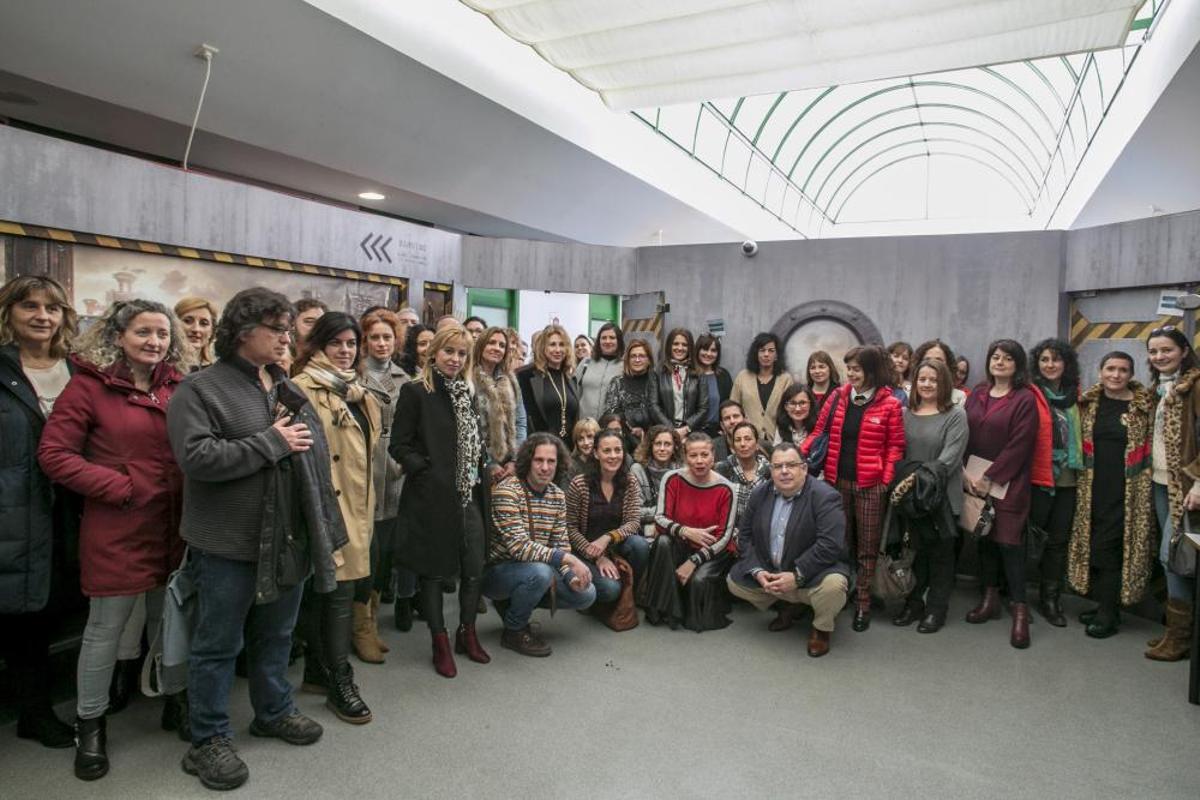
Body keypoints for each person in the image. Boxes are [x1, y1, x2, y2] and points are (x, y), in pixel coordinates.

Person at [167, 287, 345, 792]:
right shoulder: (200, 389)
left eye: (289, 329)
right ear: (244, 333)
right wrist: (273, 442)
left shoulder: (282, 384)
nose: (288, 338)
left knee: (276, 635)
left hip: (286, 538)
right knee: (218, 644)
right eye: (278, 330)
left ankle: (272, 710)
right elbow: (196, 458)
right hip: (228, 544)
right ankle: (207, 740)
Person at [37, 299, 186, 780]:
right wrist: (121, 487)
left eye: (162, 334)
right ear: (118, 336)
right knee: (104, 633)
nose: (155, 342)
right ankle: (91, 723)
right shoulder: (88, 388)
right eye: (144, 332)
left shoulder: (179, 387)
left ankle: (173, 700)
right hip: (118, 527)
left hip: (173, 528)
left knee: (171, 624)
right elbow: (55, 455)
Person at [0, 275, 79, 749]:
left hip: (68, 509)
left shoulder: (79, 370)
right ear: (9, 312)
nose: (41, 316)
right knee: (21, 612)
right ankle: (34, 711)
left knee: (49, 607)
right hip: (13, 508)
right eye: (28, 305)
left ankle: (38, 707)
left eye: (51, 308)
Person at [292, 313, 380, 721]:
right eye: (336, 344)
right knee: (337, 594)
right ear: (317, 346)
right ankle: (339, 679)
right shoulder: (302, 389)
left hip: (358, 503)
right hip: (330, 506)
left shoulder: (356, 392)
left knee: (332, 593)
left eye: (350, 344)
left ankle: (316, 670)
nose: (345, 351)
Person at [390, 325, 490, 678]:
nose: (455, 359)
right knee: (433, 572)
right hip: (432, 497)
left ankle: (467, 632)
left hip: (469, 494)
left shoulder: (468, 392)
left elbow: (473, 441)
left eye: (462, 354)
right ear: (433, 353)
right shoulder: (415, 391)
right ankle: (440, 640)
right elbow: (399, 445)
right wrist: (427, 470)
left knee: (474, 567)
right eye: (449, 352)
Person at [802, 345, 904, 632]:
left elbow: (895, 445)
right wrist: (797, 455)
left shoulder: (891, 404)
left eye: (856, 369)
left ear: (872, 371)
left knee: (868, 547)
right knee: (840, 542)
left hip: (871, 486)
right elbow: (818, 432)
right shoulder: (838, 396)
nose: (851, 374)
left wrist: (885, 479)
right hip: (837, 483)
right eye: (848, 369)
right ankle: (842, 593)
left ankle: (863, 602)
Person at [726, 442, 851, 657]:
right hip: (773, 571)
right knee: (734, 582)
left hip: (813, 571)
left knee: (834, 587)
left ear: (804, 468)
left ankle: (821, 628)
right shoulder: (760, 494)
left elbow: (830, 545)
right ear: (771, 470)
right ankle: (788, 605)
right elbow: (744, 537)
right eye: (777, 466)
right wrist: (757, 571)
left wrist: (798, 576)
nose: (784, 471)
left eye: (791, 465)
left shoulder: (825, 496)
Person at [484, 434, 596, 656]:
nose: (545, 467)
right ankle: (514, 630)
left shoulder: (557, 495)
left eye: (551, 461)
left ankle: (516, 605)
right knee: (541, 572)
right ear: (528, 460)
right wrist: (570, 560)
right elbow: (519, 547)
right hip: (497, 573)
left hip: (535, 569)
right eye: (539, 460)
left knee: (587, 593)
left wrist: (570, 576)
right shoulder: (508, 490)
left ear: (559, 463)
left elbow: (561, 543)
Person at [1067, 352, 1154, 639]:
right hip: (1092, 488)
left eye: (1123, 370)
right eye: (1111, 369)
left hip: (1127, 491)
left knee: (1110, 549)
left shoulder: (1143, 406)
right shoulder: (1089, 403)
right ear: (1101, 371)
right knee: (1094, 546)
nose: (1116, 375)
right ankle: (1107, 606)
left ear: (1131, 374)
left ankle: (1108, 615)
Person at [962, 339, 1041, 650]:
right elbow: (963, 433)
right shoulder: (977, 393)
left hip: (1010, 481)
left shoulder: (1024, 398)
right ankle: (989, 599)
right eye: (995, 357)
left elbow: (1021, 444)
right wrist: (966, 475)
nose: (1000, 362)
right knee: (984, 540)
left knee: (1009, 544)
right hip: (972, 479)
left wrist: (991, 478)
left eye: (1007, 358)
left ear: (1017, 365)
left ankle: (1020, 610)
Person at [890, 359, 968, 633]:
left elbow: (950, 458)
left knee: (941, 556)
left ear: (944, 382)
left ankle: (937, 609)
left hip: (941, 499)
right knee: (916, 553)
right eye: (922, 379)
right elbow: (898, 451)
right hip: (911, 499)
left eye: (933, 380)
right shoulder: (904, 412)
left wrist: (915, 480)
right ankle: (913, 604)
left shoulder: (955, 414)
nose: (926, 384)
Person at [641, 433, 736, 631]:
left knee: (698, 582)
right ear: (685, 457)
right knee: (663, 542)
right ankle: (663, 609)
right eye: (693, 455)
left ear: (713, 456)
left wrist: (693, 562)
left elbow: (724, 538)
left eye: (704, 455)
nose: (699, 461)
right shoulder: (672, 479)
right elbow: (660, 518)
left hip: (712, 551)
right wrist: (686, 531)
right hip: (681, 543)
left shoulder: (726, 489)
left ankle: (684, 608)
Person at [1144, 326, 1200, 661]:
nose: (1159, 356)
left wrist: (1198, 482)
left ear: (1183, 350)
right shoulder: (1159, 388)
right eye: (1153, 351)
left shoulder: (1194, 385)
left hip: (1186, 487)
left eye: (1166, 350)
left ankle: (1180, 638)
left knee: (1173, 556)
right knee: (1172, 557)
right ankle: (1177, 632)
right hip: (1161, 483)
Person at [358, 309, 409, 636]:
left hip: (395, 466)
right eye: (374, 337)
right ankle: (359, 621)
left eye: (386, 337)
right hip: (363, 462)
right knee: (367, 546)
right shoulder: (354, 374)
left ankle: (372, 616)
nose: (381, 343)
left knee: (388, 545)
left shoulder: (405, 378)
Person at [1027, 338, 1083, 627]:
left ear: (1066, 364)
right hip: (1037, 478)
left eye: (1056, 359)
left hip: (1069, 481)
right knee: (1031, 538)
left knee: (1058, 542)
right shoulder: (1030, 394)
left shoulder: (1079, 396)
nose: (1050, 365)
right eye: (1044, 359)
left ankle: (1051, 598)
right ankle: (1019, 597)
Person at [565, 429, 650, 598]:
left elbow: (633, 522)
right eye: (607, 450)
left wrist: (608, 537)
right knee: (610, 590)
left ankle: (629, 592)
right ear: (596, 453)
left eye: (618, 450)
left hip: (616, 545)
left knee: (640, 545)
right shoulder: (580, 484)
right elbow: (570, 528)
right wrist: (598, 557)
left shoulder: (630, 481)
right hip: (586, 549)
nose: (613, 456)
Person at [469, 326, 519, 486]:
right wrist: (489, 463)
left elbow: (521, 420)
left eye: (502, 345)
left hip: (509, 464)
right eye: (491, 343)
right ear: (481, 345)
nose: (497, 348)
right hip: (477, 462)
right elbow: (468, 427)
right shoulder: (468, 378)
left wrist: (516, 460)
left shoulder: (510, 379)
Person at [517, 323, 579, 438]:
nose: (557, 350)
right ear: (543, 347)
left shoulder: (570, 378)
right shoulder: (525, 375)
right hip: (539, 446)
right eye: (552, 345)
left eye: (562, 345)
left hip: (568, 449)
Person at [715, 421, 771, 547]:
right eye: (738, 440)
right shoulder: (722, 469)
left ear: (757, 444)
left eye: (748, 439)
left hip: (762, 538)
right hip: (726, 539)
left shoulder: (770, 472)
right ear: (733, 446)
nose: (743, 444)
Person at [730, 332, 793, 443]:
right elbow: (733, 408)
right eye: (762, 350)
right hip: (747, 440)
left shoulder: (785, 379)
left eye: (771, 350)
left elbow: (789, 411)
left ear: (777, 355)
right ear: (756, 354)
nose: (766, 354)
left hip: (777, 440)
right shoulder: (742, 377)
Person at [650, 327, 709, 442]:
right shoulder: (657, 371)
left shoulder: (699, 373)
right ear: (669, 346)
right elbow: (653, 405)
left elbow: (703, 408)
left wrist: (686, 429)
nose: (680, 348)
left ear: (690, 348)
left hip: (691, 434)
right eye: (675, 344)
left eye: (684, 345)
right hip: (663, 433)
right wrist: (672, 430)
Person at [603, 338, 657, 444]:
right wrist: (630, 430)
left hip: (652, 441)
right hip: (622, 440)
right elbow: (611, 414)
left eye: (641, 356)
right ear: (627, 359)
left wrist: (645, 433)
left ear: (649, 359)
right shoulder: (617, 382)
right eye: (633, 356)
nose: (637, 360)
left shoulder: (656, 381)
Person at [631, 425, 681, 537]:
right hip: (644, 529)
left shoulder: (680, 472)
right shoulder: (638, 470)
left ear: (674, 448)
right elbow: (635, 512)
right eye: (658, 444)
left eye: (667, 444)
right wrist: (667, 512)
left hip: (675, 528)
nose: (662, 448)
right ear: (650, 446)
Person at [575, 321, 624, 422]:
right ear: (598, 341)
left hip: (610, 429)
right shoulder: (586, 363)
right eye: (604, 338)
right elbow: (575, 395)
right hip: (584, 427)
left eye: (612, 338)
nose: (607, 341)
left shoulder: (625, 366)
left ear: (619, 340)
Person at [695, 333, 734, 438]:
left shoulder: (723, 375)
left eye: (713, 350)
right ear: (697, 350)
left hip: (717, 434)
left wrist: (724, 428)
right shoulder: (690, 374)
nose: (709, 354)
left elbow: (728, 404)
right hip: (692, 433)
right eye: (705, 349)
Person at [912, 339, 965, 405]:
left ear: (948, 366)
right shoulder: (909, 394)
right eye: (927, 360)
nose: (932, 364)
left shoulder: (958, 397)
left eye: (938, 361)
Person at [175, 296, 218, 369]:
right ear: (174, 324)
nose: (196, 329)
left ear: (211, 331)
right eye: (187, 321)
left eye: (204, 323)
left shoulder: (218, 373)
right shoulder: (157, 368)